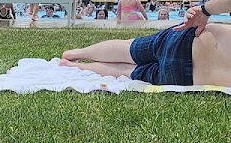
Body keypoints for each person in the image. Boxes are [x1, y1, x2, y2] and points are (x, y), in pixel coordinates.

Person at [60, 21, 231, 87]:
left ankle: (77, 53)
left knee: (127, 49)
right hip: (185, 78)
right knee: (128, 72)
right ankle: (75, 65)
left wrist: (205, 10)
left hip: (190, 43)